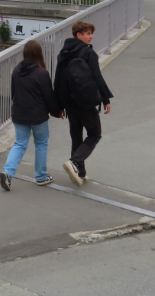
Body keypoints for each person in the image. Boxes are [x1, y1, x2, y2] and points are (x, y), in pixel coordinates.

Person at [54, 20, 113, 186]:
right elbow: (97, 77)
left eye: (91, 33)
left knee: (76, 137)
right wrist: (106, 99)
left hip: (69, 103)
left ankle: (80, 172)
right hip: (85, 102)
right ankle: (74, 162)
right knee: (95, 134)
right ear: (78, 35)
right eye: (87, 33)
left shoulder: (63, 53)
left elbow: (58, 80)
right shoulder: (88, 53)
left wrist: (59, 106)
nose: (91, 37)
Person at [0, 40, 61, 190]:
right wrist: (56, 111)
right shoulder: (41, 73)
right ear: (40, 53)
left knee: (20, 143)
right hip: (38, 116)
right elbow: (48, 96)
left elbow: (14, 93)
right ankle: (41, 176)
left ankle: (7, 172)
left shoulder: (16, 71)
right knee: (41, 143)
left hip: (19, 114)